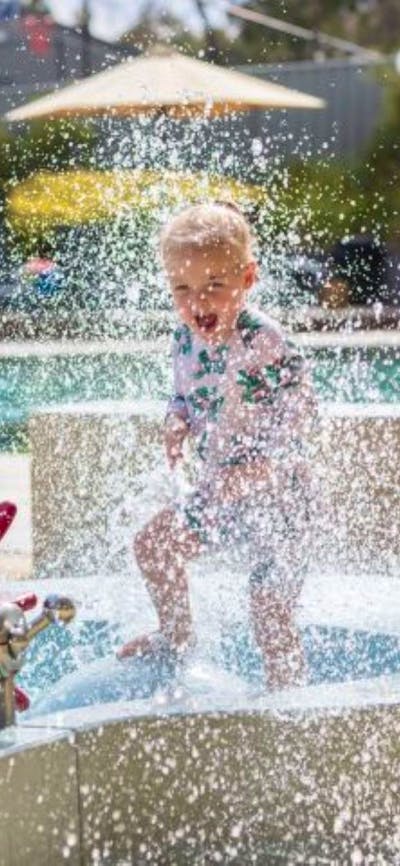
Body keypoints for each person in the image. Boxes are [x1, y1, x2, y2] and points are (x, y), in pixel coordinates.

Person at [118, 202, 317, 690]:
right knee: (154, 545)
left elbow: (303, 413)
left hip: (282, 502)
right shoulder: (184, 339)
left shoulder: (264, 340)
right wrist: (176, 419)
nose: (197, 303)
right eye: (182, 289)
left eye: (214, 286)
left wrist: (263, 466)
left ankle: (286, 692)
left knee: (269, 608)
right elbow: (183, 393)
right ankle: (175, 635)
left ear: (247, 278)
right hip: (221, 495)